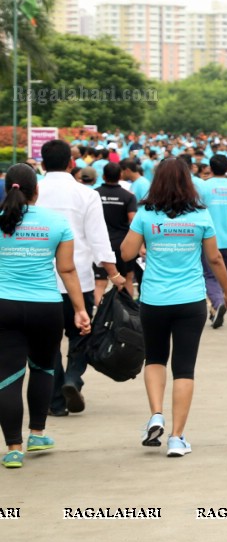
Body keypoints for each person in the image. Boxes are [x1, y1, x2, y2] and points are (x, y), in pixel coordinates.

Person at [122, 157, 227, 458]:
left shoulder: (146, 213)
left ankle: (156, 415)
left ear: (156, 180)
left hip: (154, 300)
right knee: (184, 368)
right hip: (190, 301)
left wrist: (147, 240)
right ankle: (176, 438)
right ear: (188, 181)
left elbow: (126, 252)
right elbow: (214, 260)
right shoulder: (200, 215)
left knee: (155, 358)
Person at [0, 165, 90, 468]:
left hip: (5, 306)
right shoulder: (56, 223)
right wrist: (80, 309)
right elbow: (67, 270)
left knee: (8, 376)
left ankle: (13, 448)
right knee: (42, 369)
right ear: (35, 191)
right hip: (46, 307)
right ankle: (37, 433)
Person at [37, 139, 123, 417]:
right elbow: (100, 241)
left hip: (39, 283)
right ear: (71, 163)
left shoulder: (33, 191)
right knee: (81, 336)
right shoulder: (86, 194)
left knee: (46, 344)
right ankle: (73, 378)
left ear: (41, 163)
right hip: (80, 281)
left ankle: (56, 400)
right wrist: (114, 274)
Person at [199, 154, 227, 329]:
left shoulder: (203, 187)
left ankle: (218, 304)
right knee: (224, 274)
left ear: (210, 168)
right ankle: (219, 304)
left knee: (209, 275)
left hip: (209, 239)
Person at [94, 162, 138, 303]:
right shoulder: (128, 196)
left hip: (100, 243)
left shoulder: (94, 194)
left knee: (100, 283)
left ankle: (99, 317)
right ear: (120, 176)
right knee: (127, 279)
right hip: (122, 244)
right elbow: (133, 220)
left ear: (103, 176)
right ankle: (128, 316)